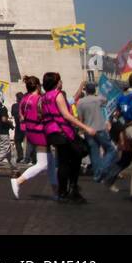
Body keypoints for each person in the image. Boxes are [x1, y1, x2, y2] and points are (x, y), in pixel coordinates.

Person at [40, 71, 96, 202]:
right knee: (77, 154)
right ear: (55, 83)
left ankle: (64, 191)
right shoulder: (57, 95)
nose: (61, 82)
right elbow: (66, 115)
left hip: (52, 132)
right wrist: (85, 127)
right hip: (63, 131)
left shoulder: (44, 97)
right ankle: (71, 189)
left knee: (65, 161)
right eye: (59, 80)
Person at [11, 76, 54, 199]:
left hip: (31, 131)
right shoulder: (39, 99)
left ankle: (57, 192)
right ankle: (18, 181)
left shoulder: (24, 100)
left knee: (50, 162)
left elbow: (21, 117)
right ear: (38, 86)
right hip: (40, 132)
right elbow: (43, 115)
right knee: (43, 164)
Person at [75, 82, 115, 183]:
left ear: (86, 90)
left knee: (94, 152)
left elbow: (80, 118)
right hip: (100, 128)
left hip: (88, 129)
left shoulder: (80, 102)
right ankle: (102, 169)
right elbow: (106, 100)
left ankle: (97, 175)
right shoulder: (98, 99)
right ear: (94, 90)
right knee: (111, 149)